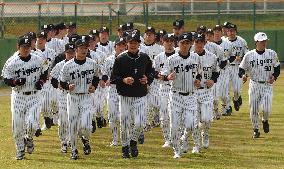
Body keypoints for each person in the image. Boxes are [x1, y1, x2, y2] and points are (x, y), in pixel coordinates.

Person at [2, 36, 48, 160]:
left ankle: (29, 138)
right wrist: (15, 82)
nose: (26, 49)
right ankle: (20, 150)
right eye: (23, 47)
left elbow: (45, 71)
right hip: (18, 97)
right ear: (18, 47)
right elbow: (5, 78)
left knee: (33, 124)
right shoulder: (12, 61)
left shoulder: (38, 59)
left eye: (28, 47)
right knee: (17, 126)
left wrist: (41, 82)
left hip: (34, 96)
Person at [110, 31, 154, 158]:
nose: (133, 45)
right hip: (125, 95)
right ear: (127, 44)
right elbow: (114, 78)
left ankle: (133, 142)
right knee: (125, 123)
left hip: (140, 94)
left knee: (140, 123)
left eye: (135, 42)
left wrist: (148, 79)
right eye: (131, 42)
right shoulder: (121, 58)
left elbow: (151, 71)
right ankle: (124, 148)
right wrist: (123, 80)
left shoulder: (145, 57)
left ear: (139, 44)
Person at [59, 37, 102, 160]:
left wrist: (94, 85)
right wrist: (67, 86)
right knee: (72, 125)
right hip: (72, 97)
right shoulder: (67, 66)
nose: (84, 50)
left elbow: (96, 77)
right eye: (81, 48)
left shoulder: (92, 63)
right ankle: (74, 149)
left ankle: (85, 139)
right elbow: (62, 82)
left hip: (86, 97)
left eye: (85, 48)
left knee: (87, 126)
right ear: (76, 49)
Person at [160, 33, 200, 158]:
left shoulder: (195, 57)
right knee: (175, 125)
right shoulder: (171, 59)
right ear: (178, 43)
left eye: (187, 43)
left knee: (191, 125)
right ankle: (176, 150)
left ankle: (182, 139)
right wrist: (168, 77)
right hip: (176, 95)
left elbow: (198, 73)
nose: (185, 45)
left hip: (191, 95)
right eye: (182, 42)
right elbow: (163, 75)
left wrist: (198, 80)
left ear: (191, 44)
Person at [239, 32, 280, 138]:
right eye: (262, 41)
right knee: (254, 109)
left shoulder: (272, 53)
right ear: (256, 42)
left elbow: (277, 67)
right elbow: (241, 69)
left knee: (266, 109)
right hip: (254, 84)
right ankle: (256, 129)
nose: (264, 43)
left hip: (267, 85)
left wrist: (274, 77)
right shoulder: (249, 55)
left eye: (265, 41)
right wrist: (243, 75)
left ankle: (265, 120)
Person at [194, 33, 219, 149]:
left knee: (207, 118)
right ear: (193, 43)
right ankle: (197, 140)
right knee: (194, 119)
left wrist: (213, 80)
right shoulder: (189, 57)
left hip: (206, 91)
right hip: (192, 92)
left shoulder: (212, 56)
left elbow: (216, 71)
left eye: (201, 42)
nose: (199, 44)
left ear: (204, 43)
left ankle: (206, 134)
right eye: (196, 42)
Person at [50, 43, 76, 153]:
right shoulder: (59, 65)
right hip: (63, 95)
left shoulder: (79, 65)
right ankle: (63, 141)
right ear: (65, 53)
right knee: (64, 119)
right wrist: (58, 85)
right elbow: (53, 79)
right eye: (68, 52)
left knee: (73, 119)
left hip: (75, 95)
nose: (70, 54)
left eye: (72, 52)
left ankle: (71, 140)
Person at [101, 37, 127, 146]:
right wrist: (106, 80)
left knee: (124, 116)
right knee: (112, 116)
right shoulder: (109, 60)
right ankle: (115, 139)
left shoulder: (128, 59)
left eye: (123, 45)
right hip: (112, 90)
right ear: (115, 46)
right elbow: (104, 73)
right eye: (119, 45)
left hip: (125, 90)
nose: (121, 47)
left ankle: (125, 139)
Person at [153, 34, 176, 148]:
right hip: (163, 89)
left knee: (175, 115)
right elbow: (154, 73)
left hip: (177, 89)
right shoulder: (158, 57)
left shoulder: (179, 55)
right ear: (163, 42)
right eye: (166, 41)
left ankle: (176, 137)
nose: (169, 43)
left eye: (171, 41)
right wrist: (160, 76)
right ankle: (167, 139)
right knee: (164, 115)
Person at [227, 23, 249, 112]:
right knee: (225, 89)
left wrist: (242, 58)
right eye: (229, 31)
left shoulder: (242, 41)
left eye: (233, 31)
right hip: (227, 68)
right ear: (227, 32)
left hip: (237, 67)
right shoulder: (224, 41)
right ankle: (227, 107)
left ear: (236, 31)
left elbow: (247, 55)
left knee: (236, 90)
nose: (231, 33)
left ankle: (236, 99)